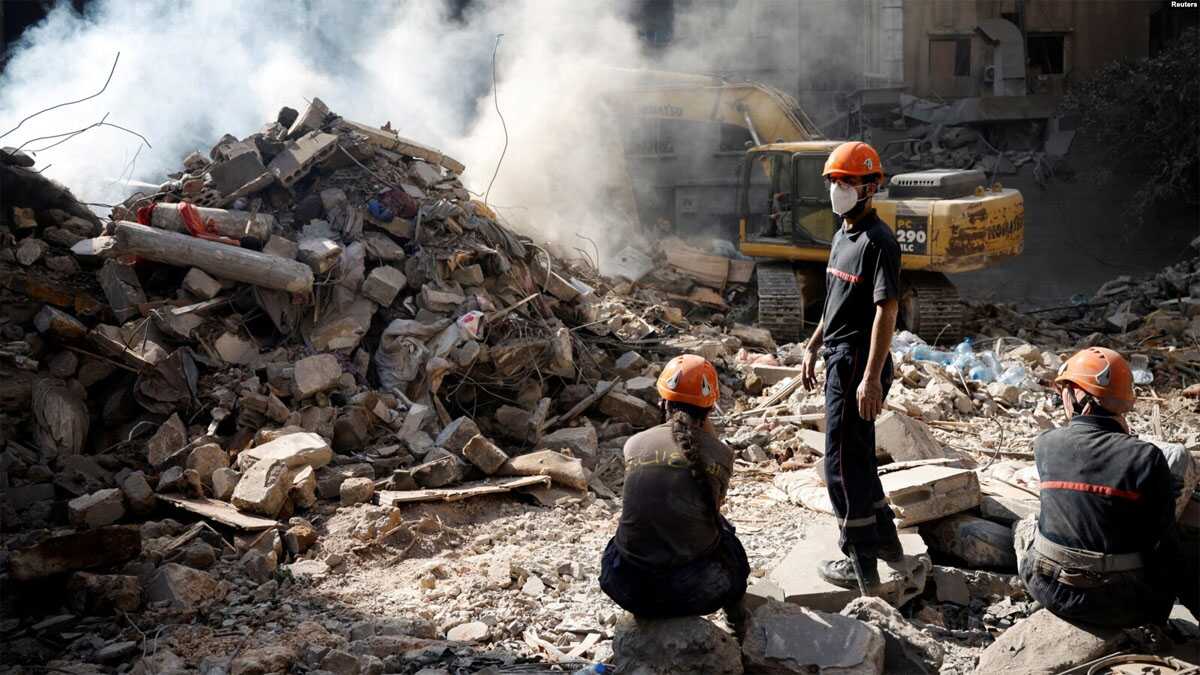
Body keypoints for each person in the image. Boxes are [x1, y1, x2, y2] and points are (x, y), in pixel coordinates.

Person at [1015, 347, 1184, 628]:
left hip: (1048, 590)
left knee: (1025, 527)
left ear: (1079, 394)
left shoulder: (1046, 443)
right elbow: (1164, 549)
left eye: (1064, 392)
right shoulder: (1146, 457)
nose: (1062, 400)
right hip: (1120, 606)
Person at [799, 141, 904, 591]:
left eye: (846, 181)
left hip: (859, 363)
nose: (838, 189)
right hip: (838, 356)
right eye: (833, 181)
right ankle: (887, 545)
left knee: (840, 465)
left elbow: (886, 312)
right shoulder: (843, 235)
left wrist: (869, 379)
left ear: (871, 185)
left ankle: (860, 565)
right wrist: (811, 344)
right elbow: (835, 301)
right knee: (857, 457)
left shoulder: (879, 242)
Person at [600, 354, 750, 634]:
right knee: (727, 535)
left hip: (625, 587)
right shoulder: (720, 453)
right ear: (709, 410)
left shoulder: (633, 445)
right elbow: (711, 512)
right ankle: (737, 623)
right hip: (694, 593)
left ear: (663, 402)